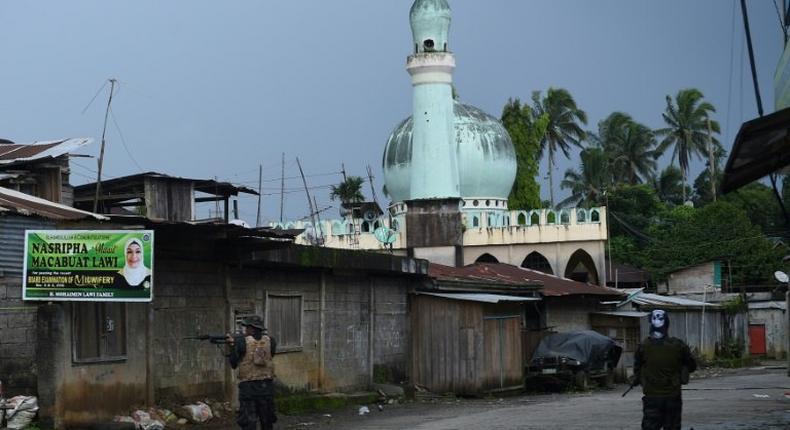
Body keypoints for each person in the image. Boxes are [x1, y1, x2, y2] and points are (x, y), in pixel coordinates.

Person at [633, 309, 697, 430]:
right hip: (673, 396)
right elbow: (692, 366)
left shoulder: (643, 347)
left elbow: (637, 370)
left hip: (651, 397)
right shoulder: (679, 345)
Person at [226, 315, 277, 430]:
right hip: (266, 388)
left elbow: (233, 363)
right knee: (267, 422)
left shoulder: (241, 342)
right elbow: (270, 357)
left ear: (252, 328)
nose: (245, 330)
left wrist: (232, 347)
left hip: (248, 389)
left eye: (247, 328)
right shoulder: (271, 341)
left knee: (248, 422)